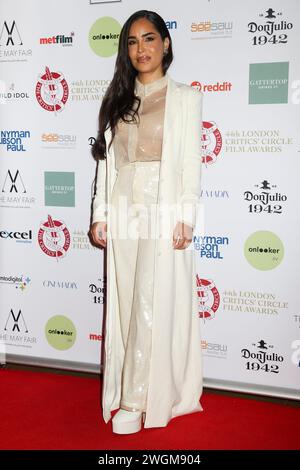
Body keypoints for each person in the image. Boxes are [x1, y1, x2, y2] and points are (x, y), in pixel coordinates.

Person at [90, 9, 203, 434]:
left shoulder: (186, 98)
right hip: (124, 205)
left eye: (150, 38)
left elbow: (190, 162)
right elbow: (108, 166)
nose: (142, 49)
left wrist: (186, 216)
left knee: (150, 301)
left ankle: (137, 401)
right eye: (133, 42)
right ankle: (126, 388)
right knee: (125, 301)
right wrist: (101, 213)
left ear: (166, 44)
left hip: (163, 204)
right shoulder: (117, 99)